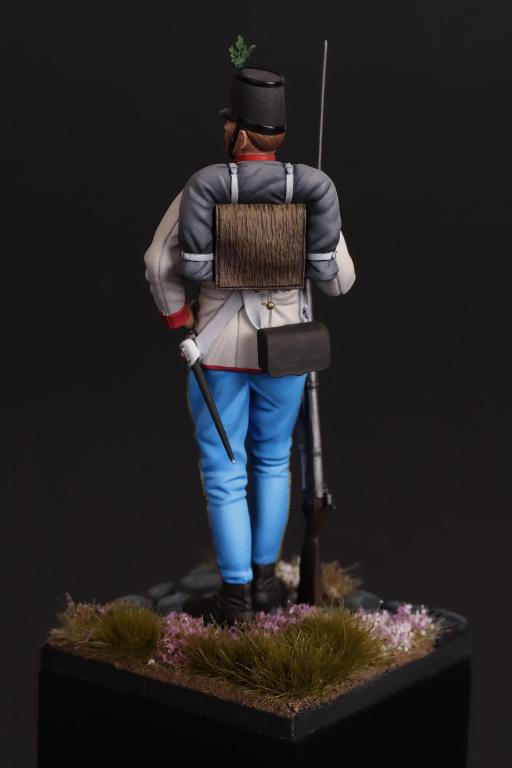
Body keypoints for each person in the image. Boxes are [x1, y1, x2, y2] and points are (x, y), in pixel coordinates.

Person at [144, 61, 356, 626]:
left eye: (228, 121)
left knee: (224, 472)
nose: (224, 129)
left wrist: (180, 317)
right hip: (288, 352)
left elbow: (158, 263)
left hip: (218, 355)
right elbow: (340, 280)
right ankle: (264, 585)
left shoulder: (201, 191)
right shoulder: (309, 193)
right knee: (273, 463)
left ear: (240, 134)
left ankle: (236, 598)